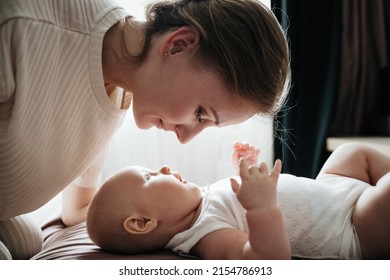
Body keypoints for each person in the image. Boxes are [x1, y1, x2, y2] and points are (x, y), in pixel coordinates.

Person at [0, 0, 290, 259]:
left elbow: (78, 209)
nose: (185, 137)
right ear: (177, 45)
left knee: (26, 239)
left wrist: (178, 224)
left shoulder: (118, 91)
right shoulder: (21, 28)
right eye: (200, 114)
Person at [87, 142, 390, 260]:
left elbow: (234, 201)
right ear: (143, 222)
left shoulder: (203, 202)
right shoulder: (207, 236)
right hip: (351, 227)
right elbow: (266, 261)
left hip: (334, 192)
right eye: (151, 177)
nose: (164, 168)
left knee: (349, 153)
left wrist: (243, 173)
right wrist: (262, 207)